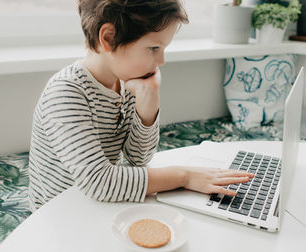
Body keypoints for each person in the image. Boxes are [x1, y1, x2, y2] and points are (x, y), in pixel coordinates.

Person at [28, 0, 254, 211]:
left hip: (99, 204)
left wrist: (148, 103)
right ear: (108, 37)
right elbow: (99, 181)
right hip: (60, 212)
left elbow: (138, 158)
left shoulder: (126, 82)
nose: (162, 61)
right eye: (154, 48)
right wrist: (184, 176)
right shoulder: (66, 92)